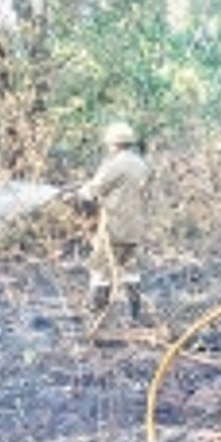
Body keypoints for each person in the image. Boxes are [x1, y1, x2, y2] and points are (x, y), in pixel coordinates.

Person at [74, 121, 153, 323]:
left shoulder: (115, 165)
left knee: (100, 268)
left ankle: (95, 317)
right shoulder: (141, 164)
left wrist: (80, 192)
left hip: (113, 226)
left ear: (112, 143)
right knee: (130, 269)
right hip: (135, 227)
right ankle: (135, 315)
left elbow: (94, 190)